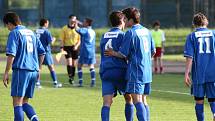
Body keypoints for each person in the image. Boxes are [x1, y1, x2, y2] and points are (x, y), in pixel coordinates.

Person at [105, 7, 155, 121]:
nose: (124, 21)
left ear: (131, 19)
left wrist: (112, 52)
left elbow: (122, 54)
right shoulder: (147, 31)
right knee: (143, 100)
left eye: (125, 19)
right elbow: (153, 52)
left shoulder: (130, 33)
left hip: (136, 72)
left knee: (137, 101)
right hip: (147, 72)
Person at [2, 12, 46, 121]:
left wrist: (6, 72)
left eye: (6, 25)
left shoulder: (14, 33)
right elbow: (42, 52)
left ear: (9, 23)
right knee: (25, 102)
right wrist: (39, 68)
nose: (7, 28)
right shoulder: (31, 32)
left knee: (17, 102)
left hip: (21, 70)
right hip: (34, 71)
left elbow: (12, 54)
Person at [100, 11, 134, 121]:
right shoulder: (123, 35)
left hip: (106, 71)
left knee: (107, 102)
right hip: (120, 70)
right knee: (129, 99)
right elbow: (126, 54)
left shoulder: (104, 35)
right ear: (122, 21)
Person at [184, 12, 215, 121]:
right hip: (213, 73)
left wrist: (187, 73)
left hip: (198, 74)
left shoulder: (192, 36)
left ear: (194, 23)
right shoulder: (213, 34)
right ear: (206, 22)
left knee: (199, 101)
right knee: (213, 99)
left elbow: (189, 57)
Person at [35, 18, 62, 88]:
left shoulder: (36, 31)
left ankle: (37, 83)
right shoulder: (46, 31)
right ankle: (55, 83)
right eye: (47, 23)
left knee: (38, 68)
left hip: (37, 51)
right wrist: (54, 39)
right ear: (45, 23)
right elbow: (50, 42)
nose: (48, 24)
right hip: (45, 52)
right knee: (51, 67)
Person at [59, 14, 81, 85]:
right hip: (67, 47)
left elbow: (79, 40)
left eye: (75, 19)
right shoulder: (64, 28)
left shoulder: (77, 29)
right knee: (69, 62)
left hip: (75, 47)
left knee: (74, 64)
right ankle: (70, 77)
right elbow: (62, 40)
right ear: (69, 19)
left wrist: (77, 46)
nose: (74, 21)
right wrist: (61, 48)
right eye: (73, 19)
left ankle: (72, 77)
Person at [76, 18, 96, 87]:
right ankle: (93, 82)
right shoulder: (93, 31)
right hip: (92, 51)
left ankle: (80, 82)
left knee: (79, 65)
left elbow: (77, 30)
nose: (82, 23)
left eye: (84, 22)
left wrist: (76, 23)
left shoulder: (85, 30)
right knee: (91, 66)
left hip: (85, 51)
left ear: (87, 23)